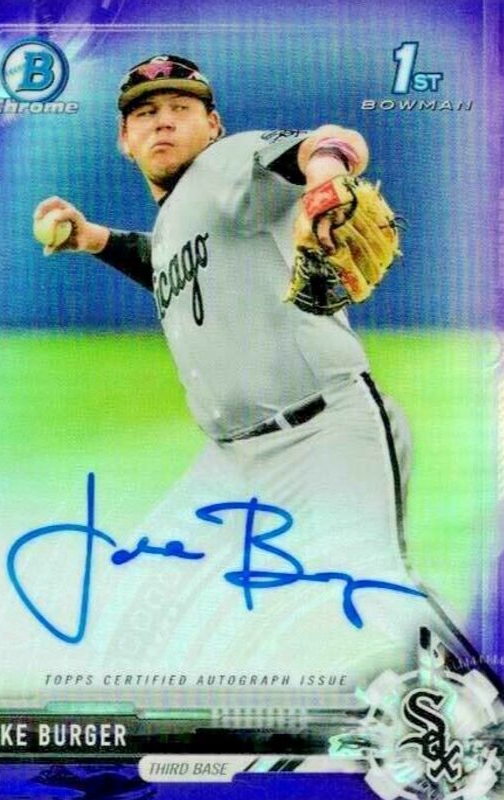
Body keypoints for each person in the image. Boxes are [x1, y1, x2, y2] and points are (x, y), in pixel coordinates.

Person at [33, 54, 484, 704]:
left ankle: (479, 725)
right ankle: (143, 736)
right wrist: (96, 239)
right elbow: (168, 261)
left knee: (370, 588)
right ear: (125, 139)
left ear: (213, 126)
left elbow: (330, 143)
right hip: (231, 463)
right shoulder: (180, 219)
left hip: (325, 433)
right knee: (145, 580)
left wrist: (325, 174)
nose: (163, 122)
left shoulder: (229, 163)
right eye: (146, 113)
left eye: (180, 108)